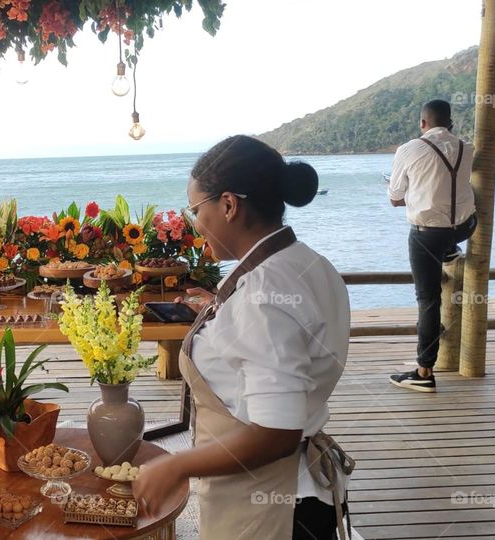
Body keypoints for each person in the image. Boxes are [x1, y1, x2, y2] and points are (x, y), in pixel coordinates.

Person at [132, 135, 354, 540]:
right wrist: (220, 315)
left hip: (275, 503)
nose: (195, 223)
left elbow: (277, 433)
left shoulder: (263, 297)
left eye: (196, 210)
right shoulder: (309, 264)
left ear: (229, 205)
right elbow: (276, 341)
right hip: (300, 494)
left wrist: (177, 464)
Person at [387, 100, 477, 392]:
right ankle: (450, 249)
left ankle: (424, 372)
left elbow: (394, 196)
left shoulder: (409, 149)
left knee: (428, 300)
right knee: (449, 233)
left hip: (428, 236)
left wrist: (413, 194)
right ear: (449, 123)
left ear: (423, 123)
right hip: (464, 228)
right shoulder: (468, 147)